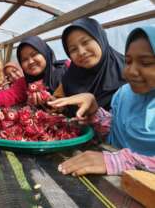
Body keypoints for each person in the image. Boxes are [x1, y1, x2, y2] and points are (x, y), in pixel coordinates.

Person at [48, 26, 155, 176]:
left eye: (146, 63)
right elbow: (114, 131)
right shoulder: (124, 94)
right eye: (128, 61)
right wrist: (95, 112)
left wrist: (121, 161)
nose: (131, 71)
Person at [53, 18, 126, 111]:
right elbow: (61, 106)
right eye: (73, 49)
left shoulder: (130, 73)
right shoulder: (69, 78)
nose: (81, 52)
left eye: (85, 42)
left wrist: (96, 115)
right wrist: (54, 105)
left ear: (99, 38)